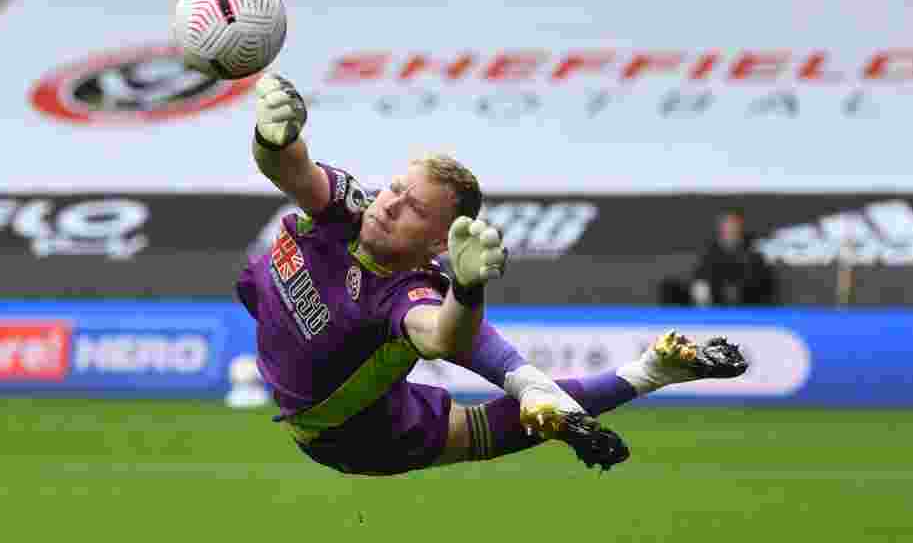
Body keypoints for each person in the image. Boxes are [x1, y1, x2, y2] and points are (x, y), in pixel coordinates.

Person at [236, 74, 748, 476]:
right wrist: (273, 135)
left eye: (412, 207)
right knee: (533, 398)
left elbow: (443, 336)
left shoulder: (406, 292)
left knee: (493, 425)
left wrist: (466, 286)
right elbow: (289, 167)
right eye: (394, 188)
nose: (390, 204)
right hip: (317, 373)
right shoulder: (349, 207)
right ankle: (606, 378)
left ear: (438, 244)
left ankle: (650, 373)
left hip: (355, 434)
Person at [660, 211, 776, 307]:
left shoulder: (752, 248)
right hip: (714, 293)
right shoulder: (712, 250)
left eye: (732, 225)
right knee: (673, 288)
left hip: (743, 294)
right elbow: (702, 274)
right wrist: (701, 286)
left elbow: (757, 277)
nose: (729, 229)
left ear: (740, 226)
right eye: (726, 225)